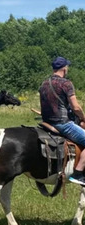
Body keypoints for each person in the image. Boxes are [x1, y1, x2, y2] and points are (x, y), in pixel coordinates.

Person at [39, 56, 85, 185]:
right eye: (67, 67)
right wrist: (83, 117)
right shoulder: (66, 83)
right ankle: (78, 173)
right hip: (63, 124)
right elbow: (75, 107)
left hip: (46, 123)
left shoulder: (44, 83)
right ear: (64, 68)